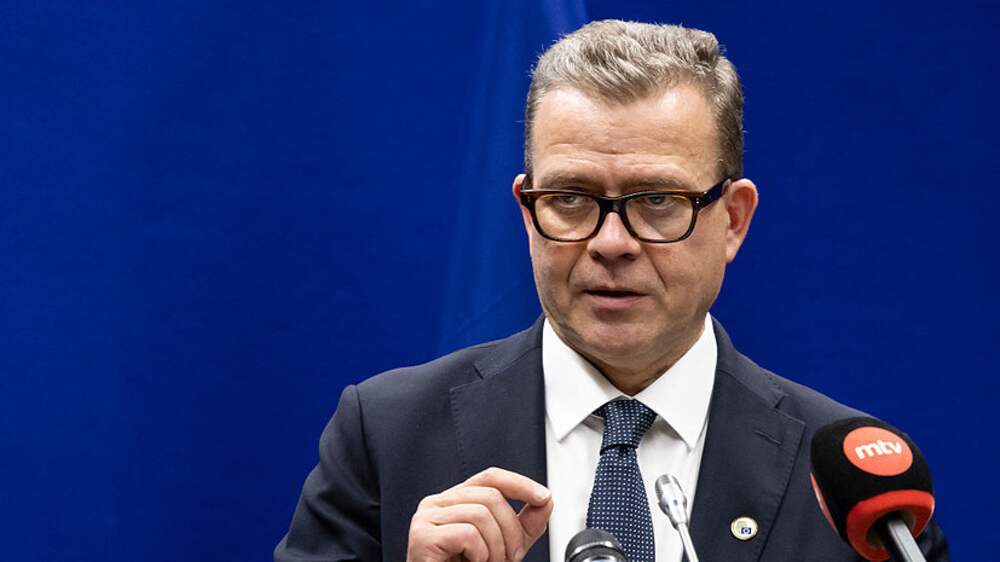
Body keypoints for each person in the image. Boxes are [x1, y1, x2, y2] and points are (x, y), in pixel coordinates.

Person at [275, 20, 948, 562]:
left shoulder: (858, 483)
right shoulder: (387, 436)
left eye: (657, 200)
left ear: (734, 220)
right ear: (526, 212)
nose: (612, 242)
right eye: (570, 198)